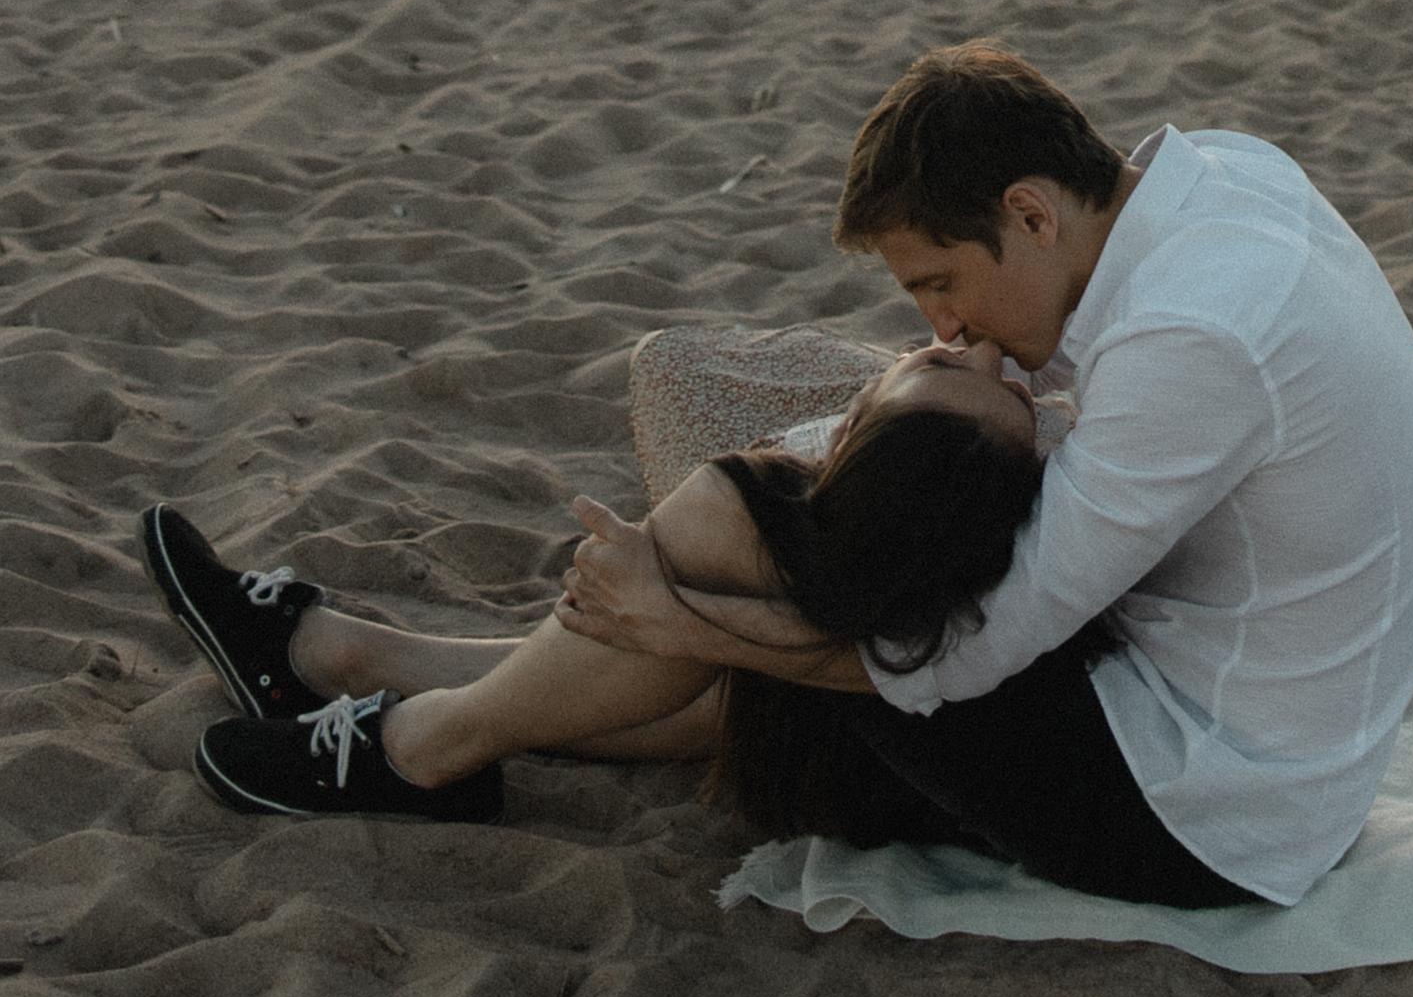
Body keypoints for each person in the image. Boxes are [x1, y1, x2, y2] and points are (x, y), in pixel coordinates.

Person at [562, 45, 1413, 909]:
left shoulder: (1193, 334)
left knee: (771, 530)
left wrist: (686, 623)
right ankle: (485, 687)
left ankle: (440, 738)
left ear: (1031, 215)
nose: (942, 326)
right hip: (1252, 709)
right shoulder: (1226, 174)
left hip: (1201, 811)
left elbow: (970, 651)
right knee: (816, 512)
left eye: (941, 283)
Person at [143, 340, 1041, 826]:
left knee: (728, 512)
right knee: (743, 566)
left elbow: (922, 646)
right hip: (902, 707)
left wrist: (682, 615)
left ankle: (420, 751)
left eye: (945, 363)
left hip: (991, 760)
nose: (983, 351)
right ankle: (347, 660)